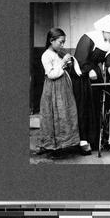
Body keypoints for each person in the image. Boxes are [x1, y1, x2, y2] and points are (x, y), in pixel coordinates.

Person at [69, 14, 110, 155]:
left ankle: (93, 139)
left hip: (95, 78)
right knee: (83, 107)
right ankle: (82, 141)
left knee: (95, 106)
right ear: (105, 30)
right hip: (81, 77)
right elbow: (79, 58)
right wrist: (89, 70)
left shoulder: (108, 44)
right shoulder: (88, 38)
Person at [37, 28, 81, 159]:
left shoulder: (56, 53)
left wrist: (65, 63)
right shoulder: (46, 55)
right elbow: (51, 74)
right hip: (54, 89)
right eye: (61, 42)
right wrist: (62, 63)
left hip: (62, 89)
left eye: (64, 42)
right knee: (56, 114)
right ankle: (54, 145)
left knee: (65, 113)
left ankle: (64, 143)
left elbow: (59, 69)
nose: (63, 45)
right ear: (51, 41)